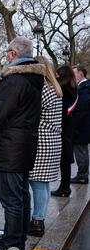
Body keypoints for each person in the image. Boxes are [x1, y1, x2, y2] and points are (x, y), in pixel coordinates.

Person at [0, 36, 44, 250]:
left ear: (14, 54)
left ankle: (10, 245)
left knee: (11, 199)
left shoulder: (15, 80)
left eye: (7, 51)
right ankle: (17, 238)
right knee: (21, 195)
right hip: (24, 145)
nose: (6, 56)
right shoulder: (33, 79)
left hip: (11, 147)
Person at [27, 57, 63, 237]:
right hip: (53, 140)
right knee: (44, 184)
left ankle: (37, 221)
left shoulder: (43, 90)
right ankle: (39, 218)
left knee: (38, 184)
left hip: (42, 141)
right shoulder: (55, 89)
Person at [51, 66, 78, 197]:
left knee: (64, 160)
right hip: (69, 126)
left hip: (63, 126)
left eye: (57, 74)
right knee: (65, 159)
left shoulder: (63, 89)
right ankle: (65, 186)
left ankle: (64, 188)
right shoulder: (73, 88)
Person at [70, 65, 90, 184]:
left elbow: (81, 111)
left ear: (80, 74)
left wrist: (76, 128)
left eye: (74, 74)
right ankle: (82, 174)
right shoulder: (84, 87)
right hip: (83, 126)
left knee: (81, 151)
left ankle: (82, 175)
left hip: (82, 127)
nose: (73, 77)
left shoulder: (85, 88)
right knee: (82, 151)